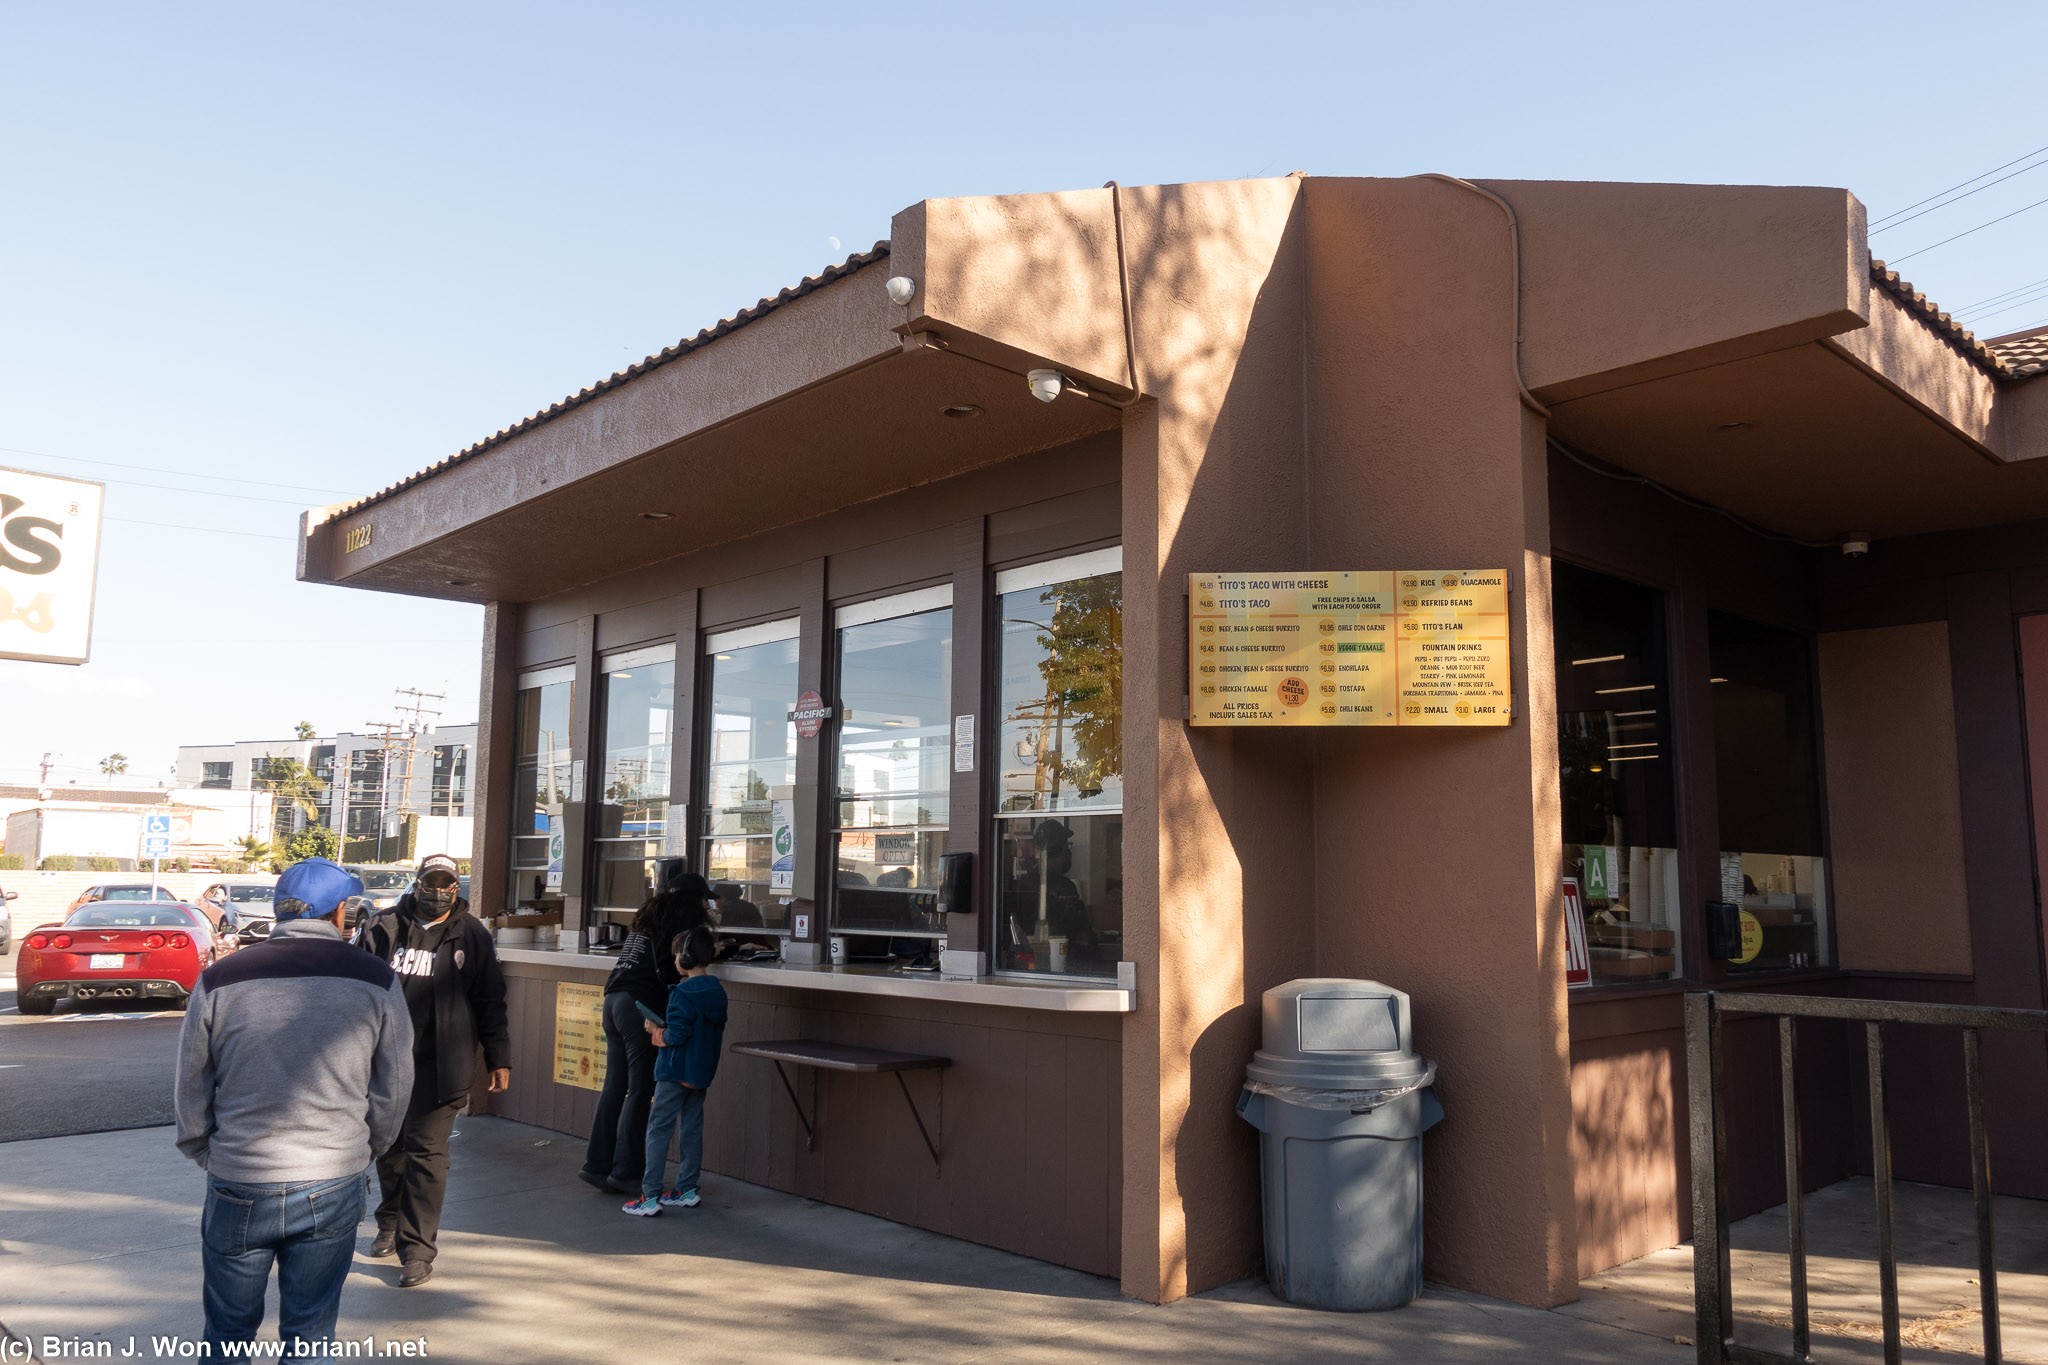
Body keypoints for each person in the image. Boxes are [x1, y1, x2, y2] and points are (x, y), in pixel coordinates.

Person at [174, 858, 413, 1354]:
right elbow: (394, 1083)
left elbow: (193, 1079)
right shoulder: (376, 979)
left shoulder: (220, 978)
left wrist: (205, 1148)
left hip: (239, 1175)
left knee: (227, 1334)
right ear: (340, 912)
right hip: (331, 1176)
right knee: (310, 1335)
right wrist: (367, 1147)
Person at [352, 853, 510, 1287]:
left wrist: (498, 1056)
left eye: (446, 883)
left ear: (456, 888)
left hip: (443, 1064)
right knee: (390, 1147)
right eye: (430, 881)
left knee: (428, 1155)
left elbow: (490, 999)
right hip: (385, 1063)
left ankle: (417, 1250)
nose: (437, 890)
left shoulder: (472, 934)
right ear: (416, 882)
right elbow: (355, 992)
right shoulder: (382, 928)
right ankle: (389, 1220)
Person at [578, 887, 702, 1193]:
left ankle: (597, 1165)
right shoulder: (675, 933)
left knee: (614, 1087)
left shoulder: (644, 926)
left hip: (613, 1000)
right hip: (638, 1008)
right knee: (640, 1090)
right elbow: (672, 971)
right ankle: (627, 1172)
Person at [622, 924, 728, 1216]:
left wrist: (657, 1031)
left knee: (658, 1130)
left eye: (677, 955)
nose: (674, 961)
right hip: (700, 1072)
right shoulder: (717, 992)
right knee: (692, 1128)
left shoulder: (682, 994)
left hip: (674, 1071)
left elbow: (676, 1036)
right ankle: (687, 1189)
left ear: (688, 957)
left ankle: (650, 1196)